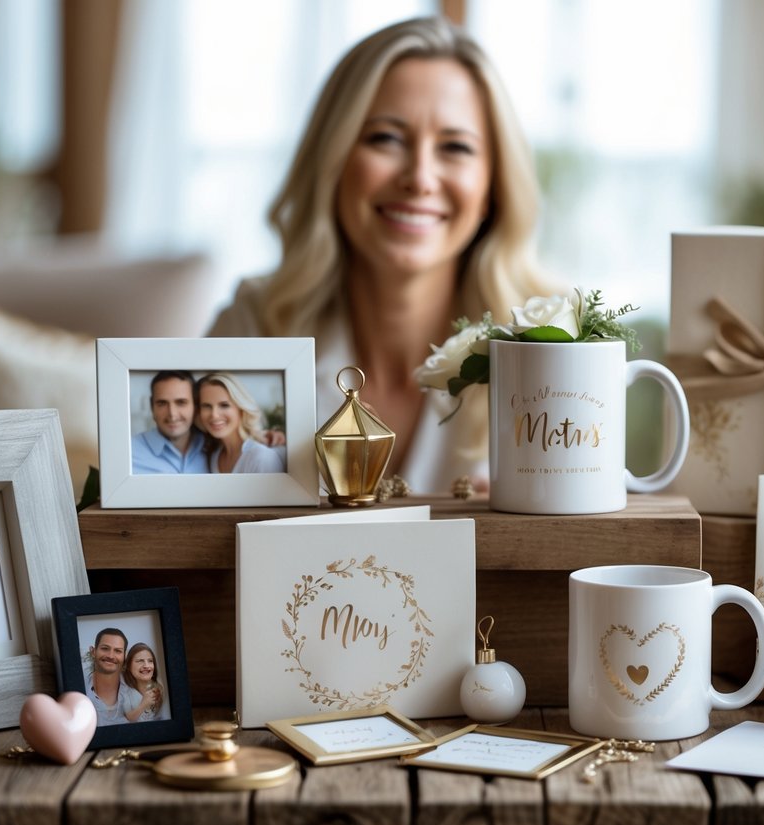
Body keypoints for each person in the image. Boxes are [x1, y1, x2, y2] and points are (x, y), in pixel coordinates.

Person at [209, 17, 560, 494]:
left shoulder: (553, 347)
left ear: (492, 187)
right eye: (386, 139)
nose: (419, 178)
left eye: (455, 147)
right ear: (332, 162)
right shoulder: (251, 326)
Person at [195, 372, 286, 473]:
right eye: (207, 406)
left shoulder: (262, 457)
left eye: (224, 405)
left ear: (241, 409)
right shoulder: (212, 456)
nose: (214, 415)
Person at [130, 370, 208, 474]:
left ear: (195, 406)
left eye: (181, 402)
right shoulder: (130, 452)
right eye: (162, 403)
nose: (172, 414)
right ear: (152, 407)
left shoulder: (212, 448)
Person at [85, 627, 153, 726]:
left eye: (118, 651)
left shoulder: (137, 693)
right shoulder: (79, 689)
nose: (111, 656)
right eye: (105, 648)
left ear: (125, 656)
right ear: (93, 651)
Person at [122, 642, 166, 721]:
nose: (146, 665)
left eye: (150, 661)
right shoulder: (125, 693)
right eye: (140, 661)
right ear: (128, 666)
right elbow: (128, 720)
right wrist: (144, 704)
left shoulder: (160, 689)